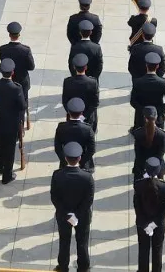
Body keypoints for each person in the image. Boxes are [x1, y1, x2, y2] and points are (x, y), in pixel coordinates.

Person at [52, 141, 95, 272]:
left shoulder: (57, 175)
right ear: (80, 158)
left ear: (65, 158)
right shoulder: (87, 177)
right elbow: (88, 200)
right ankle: (83, 267)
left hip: (63, 216)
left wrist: (68, 215)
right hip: (82, 217)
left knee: (64, 242)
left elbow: (55, 198)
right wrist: (76, 215)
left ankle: (63, 266)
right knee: (82, 242)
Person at [0, 59, 27, 184]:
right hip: (12, 122)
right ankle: (7, 176)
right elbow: (22, 106)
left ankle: (0, 165)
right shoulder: (16, 88)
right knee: (10, 148)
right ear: (13, 72)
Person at [133, 156, 165, 272]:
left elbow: (137, 206)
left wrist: (146, 224)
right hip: (159, 224)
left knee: (143, 249)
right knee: (157, 250)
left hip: (143, 223)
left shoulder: (139, 184)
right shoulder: (164, 186)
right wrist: (153, 224)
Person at [129, 52, 165, 129]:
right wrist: (157, 111)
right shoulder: (164, 83)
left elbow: (133, 101)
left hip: (141, 119)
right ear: (157, 66)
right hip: (157, 119)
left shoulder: (138, 82)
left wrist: (144, 111)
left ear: (146, 65)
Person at [55, 98, 97, 171]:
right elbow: (91, 150)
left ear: (68, 112)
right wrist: (81, 162)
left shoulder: (61, 127)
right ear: (81, 113)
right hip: (84, 164)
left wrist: (66, 161)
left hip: (67, 159)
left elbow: (58, 148)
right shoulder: (88, 129)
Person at [131, 105, 165, 180]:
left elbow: (138, 155)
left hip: (141, 167)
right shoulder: (162, 134)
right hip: (157, 166)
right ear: (156, 117)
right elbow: (160, 154)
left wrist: (145, 170)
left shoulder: (138, 133)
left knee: (138, 185)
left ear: (144, 118)